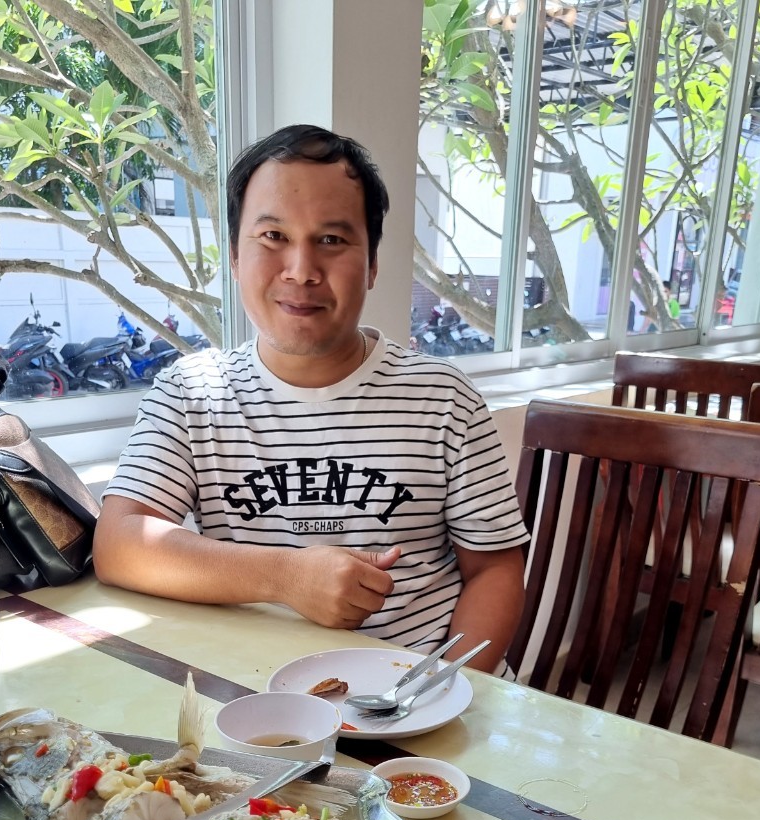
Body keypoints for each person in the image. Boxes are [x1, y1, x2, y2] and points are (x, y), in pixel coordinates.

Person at [94, 124, 528, 674]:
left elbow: (495, 570)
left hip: (421, 693)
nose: (301, 271)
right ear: (235, 256)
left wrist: (441, 689)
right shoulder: (191, 393)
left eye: (331, 240)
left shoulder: (444, 399)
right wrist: (287, 577)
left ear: (372, 263)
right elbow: (120, 545)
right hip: (262, 702)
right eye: (273, 236)